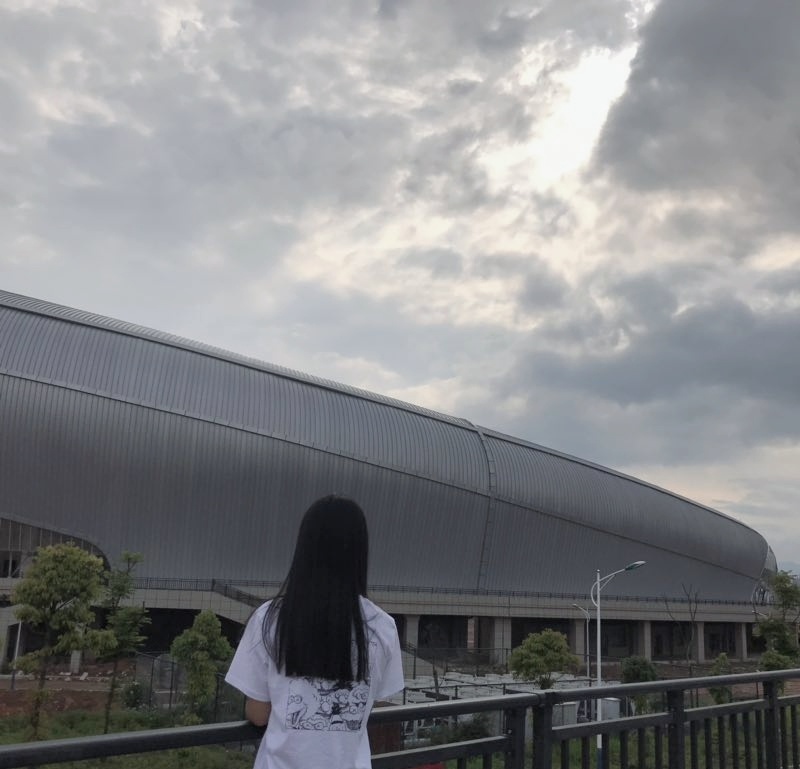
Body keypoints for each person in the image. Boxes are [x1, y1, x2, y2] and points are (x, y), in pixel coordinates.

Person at [225, 495, 404, 769]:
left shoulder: (270, 619)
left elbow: (258, 713)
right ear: (359, 553)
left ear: (304, 549)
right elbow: (374, 699)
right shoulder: (381, 627)